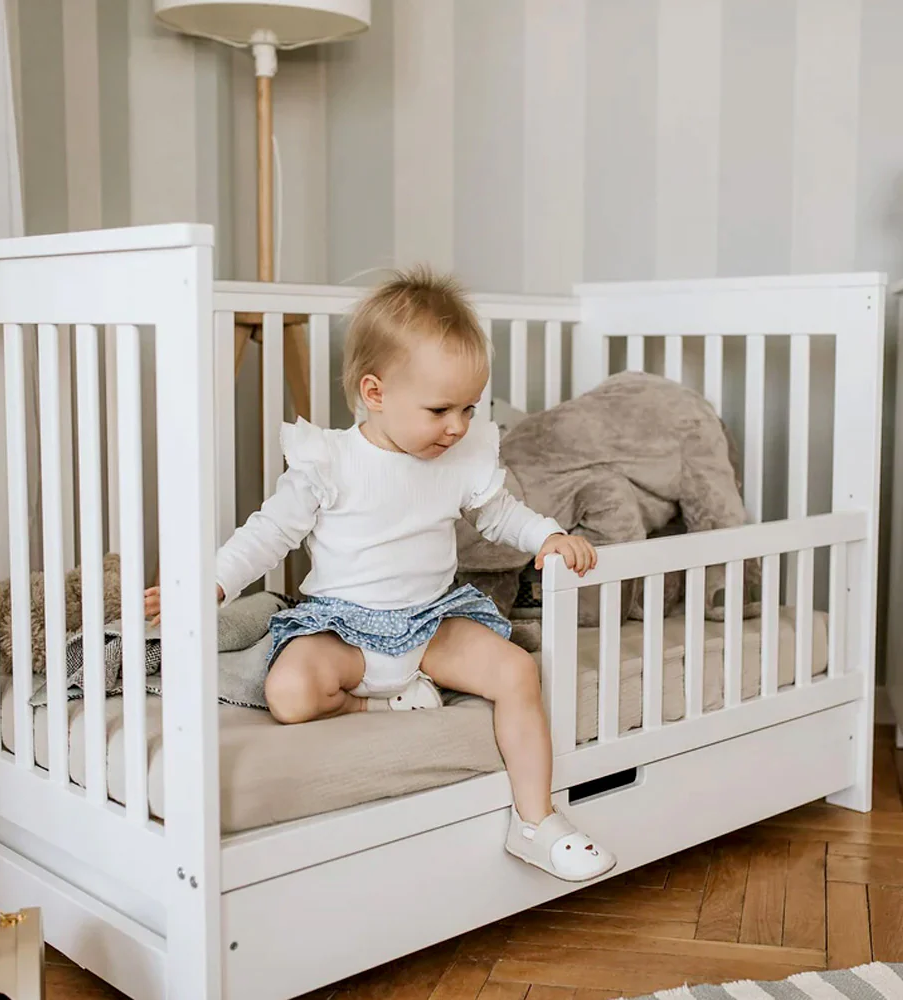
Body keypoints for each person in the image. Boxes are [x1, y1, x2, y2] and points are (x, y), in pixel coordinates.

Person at [144, 267, 616, 882]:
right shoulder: (329, 461)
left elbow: (500, 514)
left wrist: (547, 536)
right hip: (344, 627)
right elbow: (269, 532)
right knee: (288, 694)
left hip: (431, 618)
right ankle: (386, 706)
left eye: (470, 408)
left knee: (517, 671)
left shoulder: (460, 457)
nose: (457, 426)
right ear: (375, 392)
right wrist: (209, 582)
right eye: (440, 409)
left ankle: (536, 820)